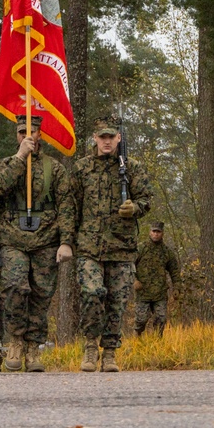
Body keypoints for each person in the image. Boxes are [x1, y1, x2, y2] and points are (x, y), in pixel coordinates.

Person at [0, 116, 75, 372]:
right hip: (13, 239)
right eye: (22, 131)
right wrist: (19, 157)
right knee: (15, 287)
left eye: (33, 131)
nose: (28, 135)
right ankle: (14, 340)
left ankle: (33, 347)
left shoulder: (54, 168)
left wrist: (66, 242)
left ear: (41, 134)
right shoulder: (5, 165)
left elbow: (66, 207)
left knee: (41, 294)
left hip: (46, 240)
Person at [71, 115, 153, 373]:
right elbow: (71, 206)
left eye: (111, 137)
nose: (106, 141)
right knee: (92, 294)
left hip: (122, 246)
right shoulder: (82, 168)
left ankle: (109, 353)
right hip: (89, 246)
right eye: (102, 137)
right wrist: (67, 241)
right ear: (94, 139)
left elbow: (147, 198)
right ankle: (90, 346)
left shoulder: (131, 167)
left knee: (117, 301)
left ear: (118, 138)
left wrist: (135, 208)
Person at [134, 222, 181, 337]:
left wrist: (177, 288)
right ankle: (137, 338)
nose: (156, 234)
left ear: (162, 233)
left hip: (160, 293)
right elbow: (129, 265)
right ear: (150, 232)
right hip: (143, 292)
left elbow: (174, 271)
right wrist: (134, 280)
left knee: (161, 319)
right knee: (141, 320)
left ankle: (156, 343)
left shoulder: (166, 252)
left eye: (158, 232)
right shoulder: (141, 248)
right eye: (154, 231)